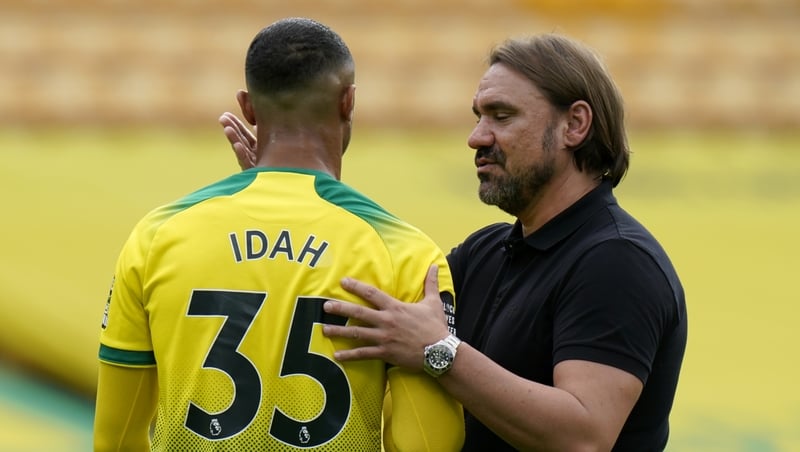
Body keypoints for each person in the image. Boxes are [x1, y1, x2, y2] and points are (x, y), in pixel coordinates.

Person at [221, 32, 688, 452]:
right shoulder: (488, 251)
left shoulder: (617, 260)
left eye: (501, 116)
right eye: (478, 117)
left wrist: (440, 353)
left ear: (575, 125)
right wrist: (291, 190)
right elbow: (377, 300)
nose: (476, 137)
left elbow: (583, 435)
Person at [93, 17, 464, 452]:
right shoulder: (407, 253)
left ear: (248, 107)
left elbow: (115, 440)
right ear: (348, 101)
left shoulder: (157, 234)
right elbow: (429, 444)